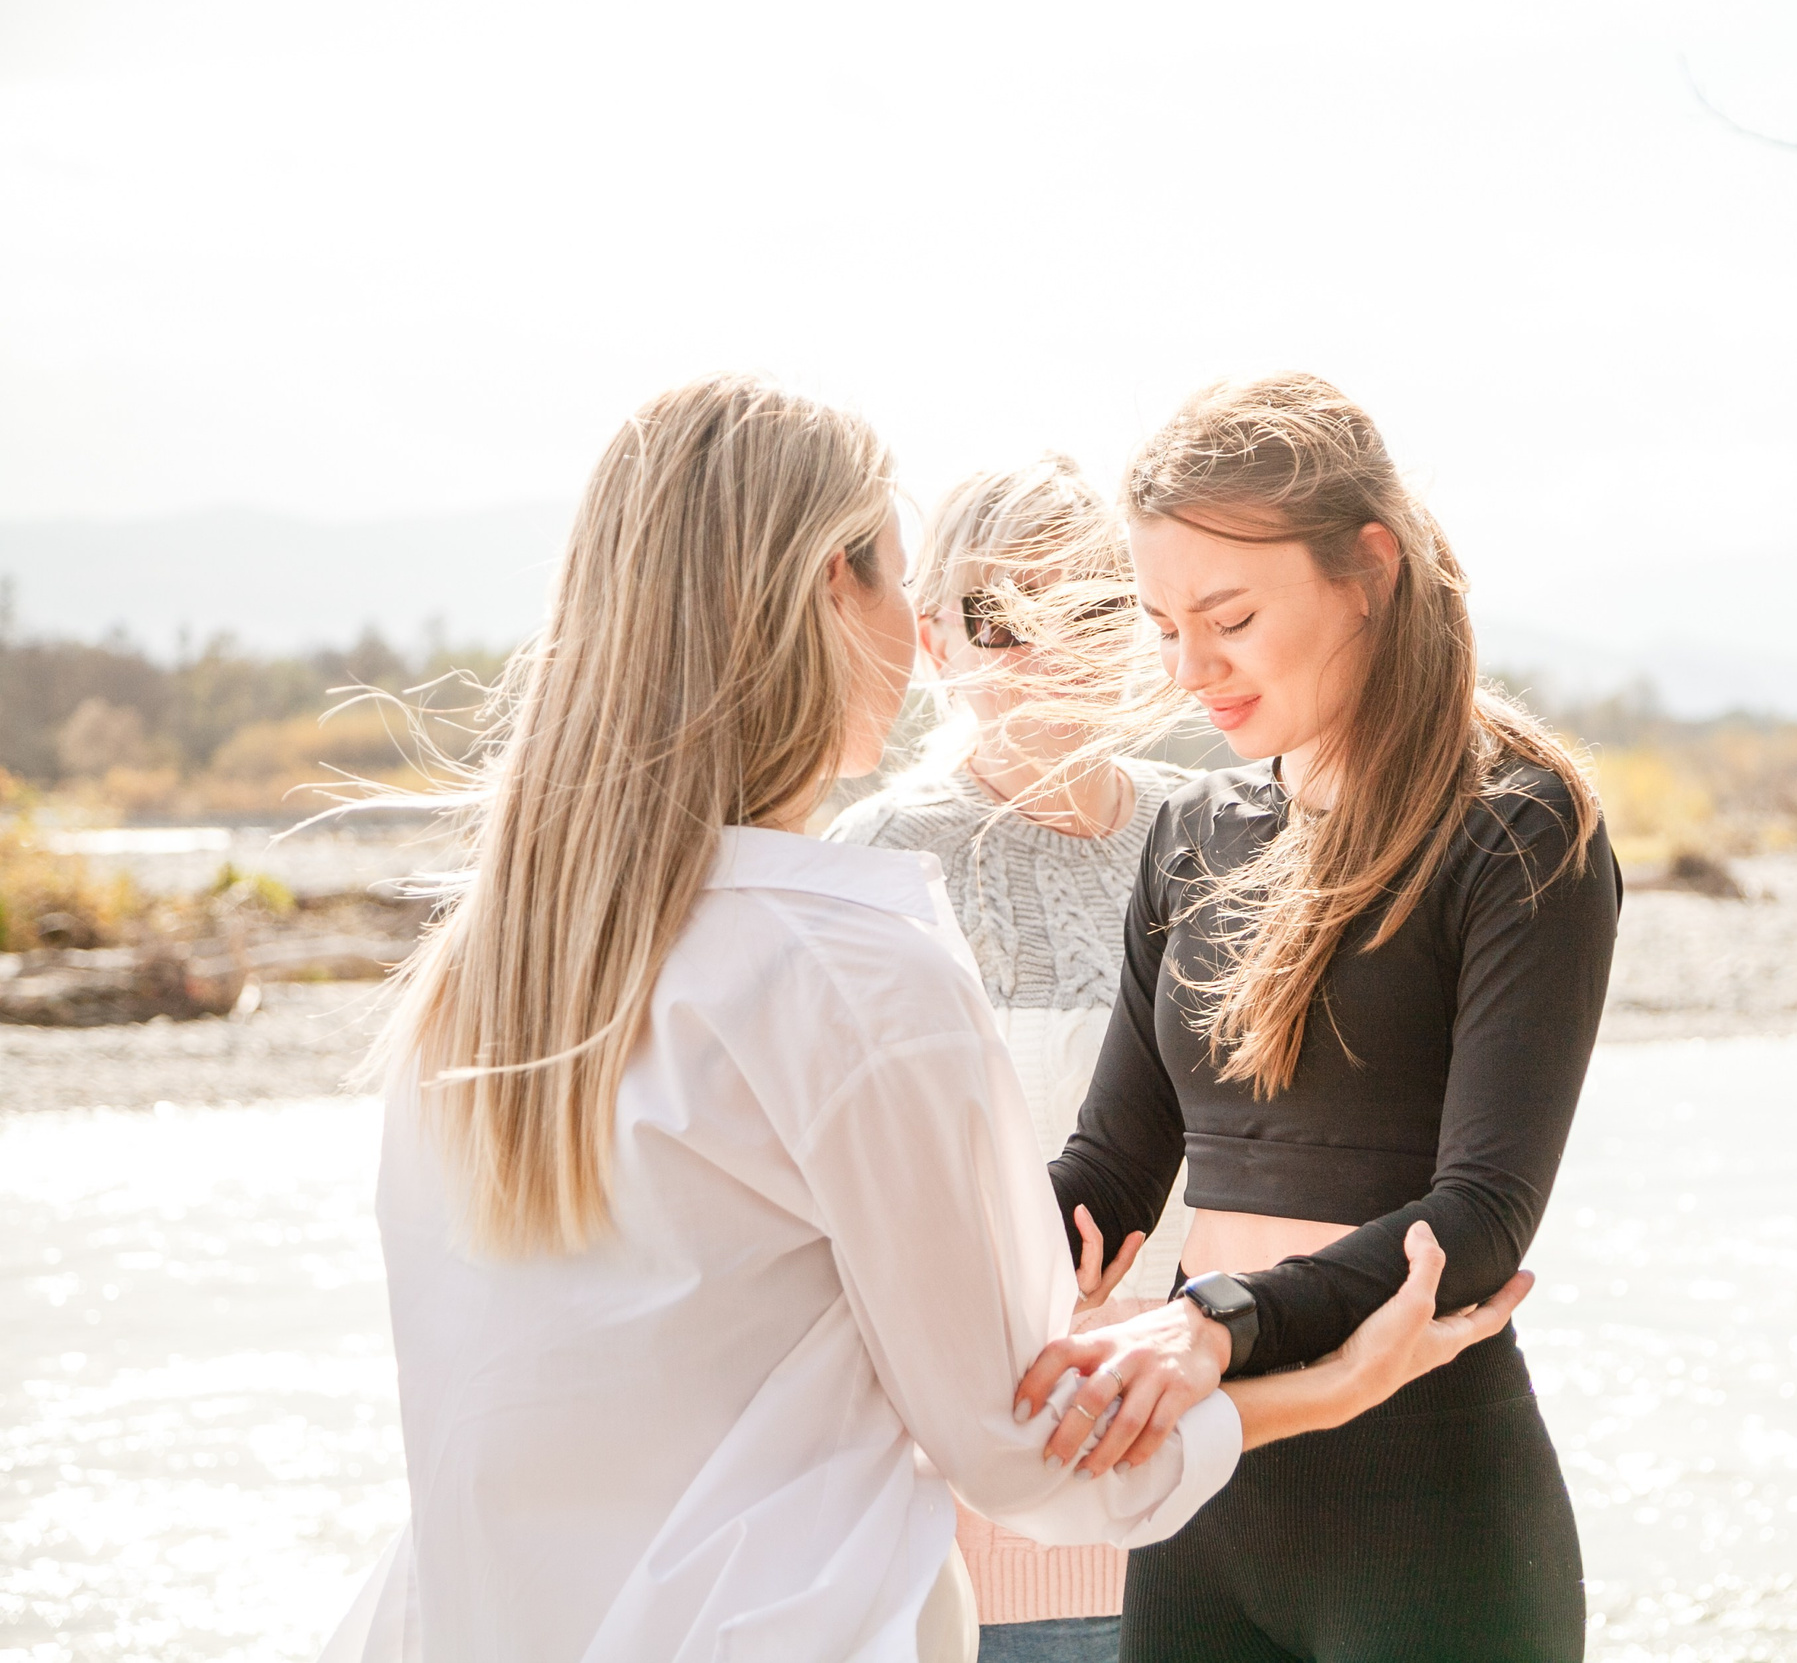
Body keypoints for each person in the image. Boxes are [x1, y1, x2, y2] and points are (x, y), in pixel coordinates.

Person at [318, 375, 1531, 1663]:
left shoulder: (479, 971)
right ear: (829, 595)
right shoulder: (850, 959)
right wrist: (1331, 1388)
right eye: (906, 583)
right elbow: (1016, 1452)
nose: (926, 633)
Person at [1031, 372, 1621, 1662]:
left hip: (1429, 1521)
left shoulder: (1521, 831)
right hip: (1201, 1503)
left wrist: (1216, 1318)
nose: (1191, 668)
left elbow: (1479, 1221)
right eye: (1161, 624)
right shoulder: (1192, 835)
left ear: (1368, 569)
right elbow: (1110, 1176)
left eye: (1228, 617)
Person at [825, 454, 1195, 1662]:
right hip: (985, 1506)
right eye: (998, 618)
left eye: (1087, 609)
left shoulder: (1214, 836)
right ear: (933, 640)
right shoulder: (877, 860)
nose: (1044, 654)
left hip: (1215, 1484)